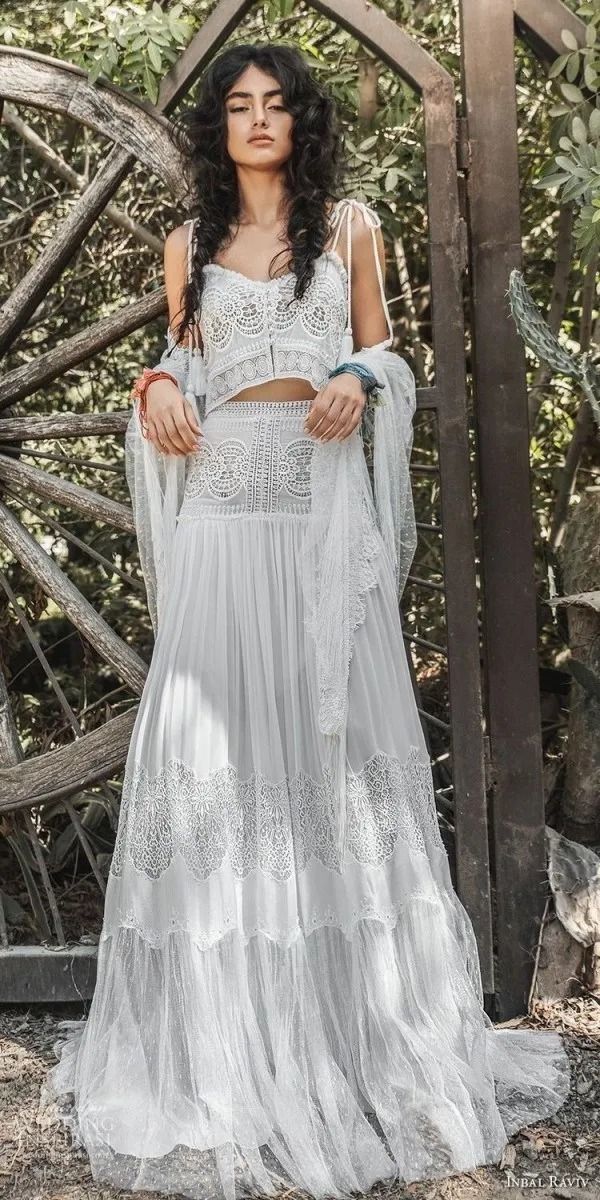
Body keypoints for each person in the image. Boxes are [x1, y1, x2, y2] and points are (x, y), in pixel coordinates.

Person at [41, 41, 570, 1200]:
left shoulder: (352, 228)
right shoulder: (189, 245)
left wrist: (364, 379)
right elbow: (179, 359)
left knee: (335, 769)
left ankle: (354, 1040)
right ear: (217, 130)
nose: (259, 119)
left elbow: (386, 347)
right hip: (227, 522)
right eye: (238, 105)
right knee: (219, 767)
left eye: (277, 103)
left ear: (302, 123)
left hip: (321, 524)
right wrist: (155, 385)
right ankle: (228, 1051)